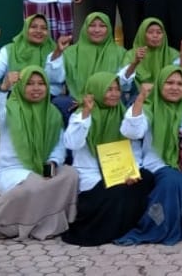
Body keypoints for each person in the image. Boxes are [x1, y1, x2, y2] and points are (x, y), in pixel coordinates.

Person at [117, 66, 182, 244]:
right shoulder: (149, 107)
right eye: (169, 83)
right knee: (174, 180)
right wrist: (140, 98)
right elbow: (132, 132)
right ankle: (165, 227)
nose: (175, 88)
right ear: (160, 85)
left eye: (180, 84)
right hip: (161, 162)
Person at [0, 67, 78, 240]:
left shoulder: (52, 113)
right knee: (36, 186)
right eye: (30, 84)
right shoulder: (9, 110)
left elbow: (58, 145)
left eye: (41, 83)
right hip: (13, 170)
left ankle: (52, 222)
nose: (36, 88)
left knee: (71, 174)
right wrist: (4, 88)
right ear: (21, 86)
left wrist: (53, 162)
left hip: (41, 166)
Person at [61, 72, 154, 246]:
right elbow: (72, 143)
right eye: (108, 89)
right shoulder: (81, 114)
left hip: (120, 170)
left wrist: (131, 171)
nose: (114, 94)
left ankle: (126, 228)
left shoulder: (121, 112)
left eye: (117, 89)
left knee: (146, 178)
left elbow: (133, 143)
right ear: (96, 90)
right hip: (92, 174)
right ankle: (103, 232)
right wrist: (86, 114)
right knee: (116, 191)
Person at [51, 12, 127, 122]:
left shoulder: (121, 53)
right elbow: (54, 78)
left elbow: (125, 85)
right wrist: (58, 52)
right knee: (60, 102)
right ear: (85, 28)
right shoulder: (71, 52)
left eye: (102, 26)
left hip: (110, 103)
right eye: (92, 25)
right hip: (77, 103)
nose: (97, 30)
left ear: (109, 29)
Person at [0, 15, 63, 97]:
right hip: (16, 97)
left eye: (44, 28)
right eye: (33, 27)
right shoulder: (10, 50)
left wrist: (57, 54)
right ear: (25, 29)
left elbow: (57, 79)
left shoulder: (56, 50)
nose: (39, 31)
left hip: (48, 98)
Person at [119, 18, 182, 93]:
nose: (155, 36)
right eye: (150, 32)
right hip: (139, 95)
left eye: (159, 32)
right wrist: (135, 63)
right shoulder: (131, 54)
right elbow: (122, 83)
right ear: (142, 34)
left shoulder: (173, 54)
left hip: (169, 95)